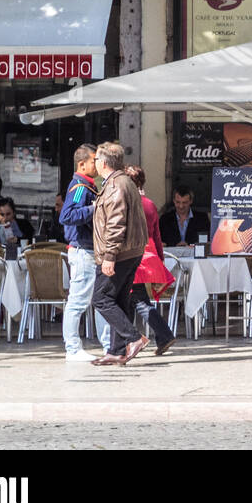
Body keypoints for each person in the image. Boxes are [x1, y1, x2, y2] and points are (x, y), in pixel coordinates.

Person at [89, 143, 150, 366]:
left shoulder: (115, 184)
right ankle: (116, 350)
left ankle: (134, 338)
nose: (94, 163)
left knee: (101, 298)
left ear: (103, 163)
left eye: (96, 160)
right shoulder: (124, 181)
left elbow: (115, 223)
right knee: (118, 299)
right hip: (131, 250)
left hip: (120, 252)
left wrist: (109, 256)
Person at [59, 145, 112, 361]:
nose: (97, 164)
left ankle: (109, 345)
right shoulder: (80, 186)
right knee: (78, 301)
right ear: (82, 164)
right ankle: (72, 348)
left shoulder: (88, 186)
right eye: (93, 160)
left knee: (100, 300)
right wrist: (95, 208)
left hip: (90, 251)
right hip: (83, 251)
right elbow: (67, 215)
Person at [126, 165, 177, 356]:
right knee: (132, 299)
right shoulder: (149, 204)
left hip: (131, 255)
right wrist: (160, 262)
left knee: (137, 299)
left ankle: (163, 335)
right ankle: (130, 341)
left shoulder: (126, 203)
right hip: (148, 255)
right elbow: (156, 235)